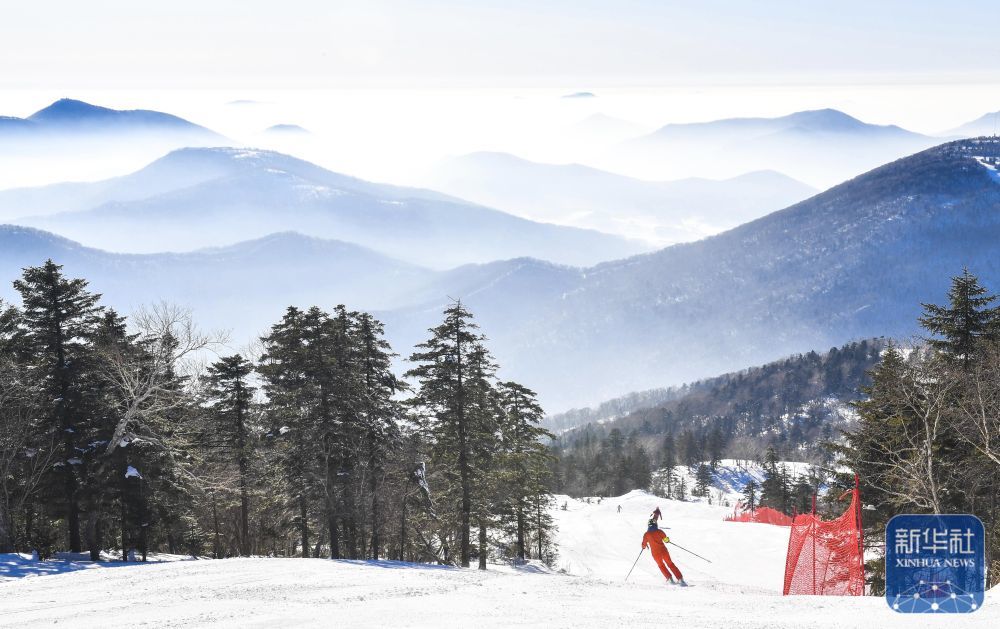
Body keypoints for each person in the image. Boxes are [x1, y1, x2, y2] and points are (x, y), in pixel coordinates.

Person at [641, 517, 687, 586]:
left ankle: (669, 579)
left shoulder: (646, 534)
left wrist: (643, 547)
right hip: (664, 551)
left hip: (655, 554)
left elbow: (644, 545)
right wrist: (667, 540)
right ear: (655, 524)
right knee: (670, 564)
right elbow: (666, 540)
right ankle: (680, 579)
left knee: (661, 565)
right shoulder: (660, 531)